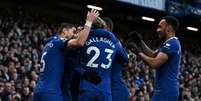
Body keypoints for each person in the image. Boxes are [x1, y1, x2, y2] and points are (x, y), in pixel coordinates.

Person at [33, 9, 99, 101]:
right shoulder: (59, 42)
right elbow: (79, 42)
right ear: (64, 31)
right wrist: (88, 22)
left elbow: (71, 62)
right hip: (51, 92)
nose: (74, 34)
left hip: (38, 90)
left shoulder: (50, 43)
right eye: (73, 31)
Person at [127, 16, 181, 101]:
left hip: (166, 91)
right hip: (165, 90)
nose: (157, 30)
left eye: (160, 27)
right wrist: (140, 41)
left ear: (169, 28)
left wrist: (138, 52)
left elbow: (154, 63)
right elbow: (152, 55)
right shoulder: (168, 43)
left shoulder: (172, 44)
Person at [75, 17, 127, 101]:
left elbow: (74, 65)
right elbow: (124, 57)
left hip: (87, 87)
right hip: (105, 90)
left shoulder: (83, 39)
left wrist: (84, 73)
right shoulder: (113, 40)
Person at [103, 17, 130, 101]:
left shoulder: (114, 42)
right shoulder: (100, 43)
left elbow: (125, 58)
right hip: (106, 88)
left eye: (100, 26)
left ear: (107, 28)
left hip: (116, 90)